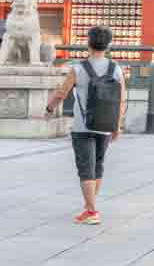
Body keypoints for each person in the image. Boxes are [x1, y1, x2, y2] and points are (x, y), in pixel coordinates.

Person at [44, 26, 126, 225]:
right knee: (97, 166)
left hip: (82, 126)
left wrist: (48, 109)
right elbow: (121, 100)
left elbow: (61, 93)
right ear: (108, 45)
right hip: (105, 125)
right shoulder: (115, 69)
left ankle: (91, 211)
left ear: (88, 44)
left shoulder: (78, 68)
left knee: (85, 168)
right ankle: (90, 206)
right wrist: (117, 126)